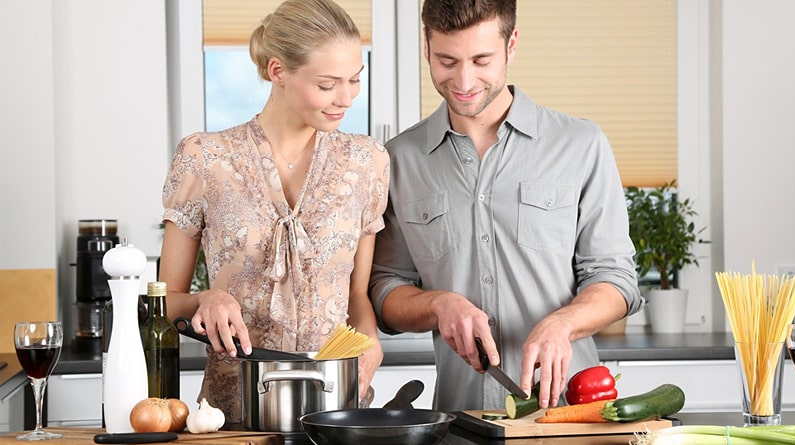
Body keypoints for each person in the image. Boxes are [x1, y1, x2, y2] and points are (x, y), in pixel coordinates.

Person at [369, 0, 643, 412]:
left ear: (511, 45)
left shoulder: (580, 144)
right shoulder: (401, 159)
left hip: (571, 416)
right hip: (461, 421)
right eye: (447, 60)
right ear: (426, 47)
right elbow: (384, 288)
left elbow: (616, 279)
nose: (464, 80)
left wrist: (563, 323)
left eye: (482, 60)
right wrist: (439, 304)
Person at [159, 0, 389, 423]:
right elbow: (161, 304)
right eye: (327, 84)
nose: (347, 98)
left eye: (355, 80)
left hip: (336, 409)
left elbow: (357, 296)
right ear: (277, 70)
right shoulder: (205, 157)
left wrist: (370, 342)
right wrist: (206, 299)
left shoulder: (367, 162)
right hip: (232, 414)